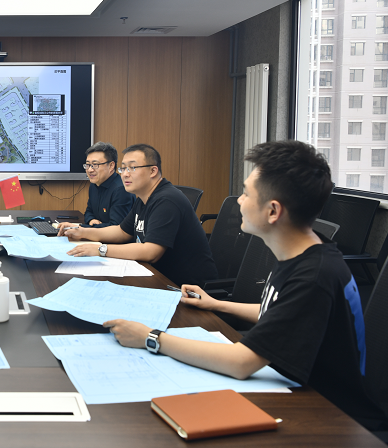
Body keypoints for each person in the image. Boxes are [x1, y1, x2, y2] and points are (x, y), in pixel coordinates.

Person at [103, 140, 386, 430]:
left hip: (328, 416)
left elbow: (241, 363)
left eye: (247, 193)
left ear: (273, 211)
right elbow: (278, 311)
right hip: (295, 386)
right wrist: (216, 304)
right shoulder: (303, 252)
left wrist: (151, 337)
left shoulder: (313, 275)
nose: (239, 201)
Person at [59, 143, 217, 287]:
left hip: (187, 288)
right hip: (156, 276)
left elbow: (151, 252)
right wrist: (83, 232)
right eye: (123, 169)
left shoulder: (167, 200)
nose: (125, 174)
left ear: (153, 171)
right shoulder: (143, 198)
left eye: (132, 168)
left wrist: (100, 249)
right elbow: (121, 231)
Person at [75, 142, 135, 227]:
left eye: (95, 165)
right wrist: (91, 220)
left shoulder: (121, 190)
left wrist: (78, 228)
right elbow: (89, 211)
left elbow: (116, 228)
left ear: (111, 166)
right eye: (88, 165)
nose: (90, 170)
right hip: (97, 234)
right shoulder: (94, 185)